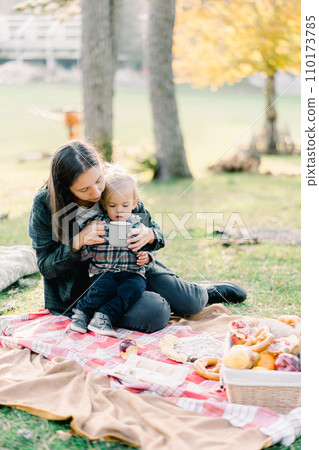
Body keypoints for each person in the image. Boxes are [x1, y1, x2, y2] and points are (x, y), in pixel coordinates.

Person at [29, 140, 246, 333]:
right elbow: (45, 266)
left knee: (190, 302)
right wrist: (77, 242)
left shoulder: (114, 185)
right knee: (155, 313)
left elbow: (155, 230)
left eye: (98, 181)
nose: (96, 193)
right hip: (87, 286)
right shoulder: (45, 204)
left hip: (132, 268)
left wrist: (149, 235)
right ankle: (134, 301)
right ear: (65, 188)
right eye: (84, 189)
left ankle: (204, 291)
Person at [70, 167, 158, 337]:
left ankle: (104, 316)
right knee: (103, 287)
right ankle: (81, 313)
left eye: (125, 205)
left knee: (135, 288)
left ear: (133, 204)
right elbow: (86, 250)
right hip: (104, 271)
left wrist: (146, 258)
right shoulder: (98, 225)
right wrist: (86, 241)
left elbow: (148, 251)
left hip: (132, 273)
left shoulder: (139, 226)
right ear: (104, 204)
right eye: (112, 205)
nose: (119, 210)